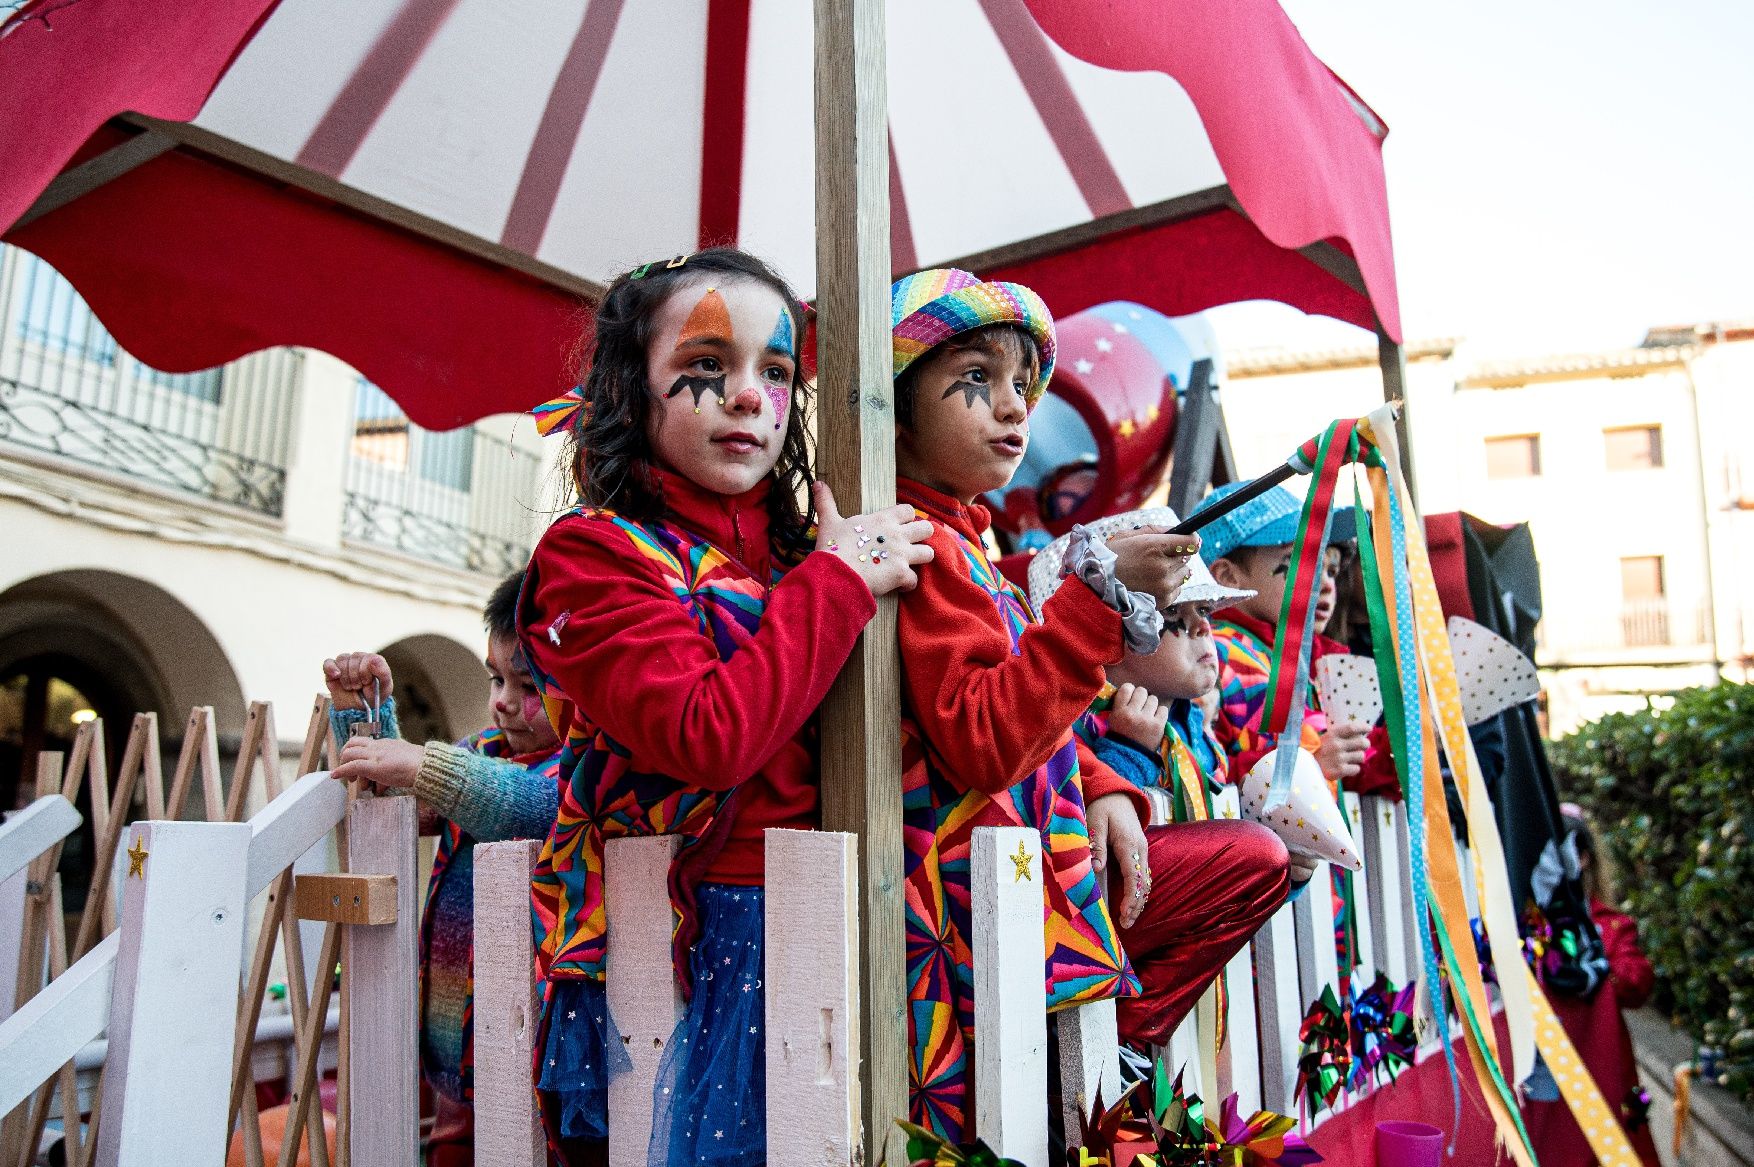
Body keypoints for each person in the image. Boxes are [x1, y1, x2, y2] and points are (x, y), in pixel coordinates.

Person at [518, 248, 934, 1166]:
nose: (749, 396)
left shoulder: (803, 549)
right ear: (634, 388)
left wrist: (1099, 775)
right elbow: (708, 735)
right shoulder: (592, 555)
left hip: (871, 910)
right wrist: (833, 584)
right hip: (711, 931)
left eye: (776, 371)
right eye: (707, 367)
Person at [889, 268, 1289, 1138]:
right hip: (987, 905)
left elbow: (1035, 707)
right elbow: (984, 735)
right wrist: (1100, 603)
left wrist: (1104, 777)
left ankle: (1111, 1056)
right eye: (974, 380)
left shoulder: (966, 545)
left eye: (1020, 386)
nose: (1011, 409)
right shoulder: (916, 551)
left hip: (1046, 872)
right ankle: (1098, 1069)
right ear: (892, 407)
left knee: (1257, 859)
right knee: (1253, 856)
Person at [321, 571, 563, 1167]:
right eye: (496, 678)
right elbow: (400, 807)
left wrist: (421, 764)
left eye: (527, 685)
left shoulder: (585, 772)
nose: (503, 700)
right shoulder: (480, 752)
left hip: (536, 1045)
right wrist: (367, 716)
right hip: (453, 1042)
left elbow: (525, 804)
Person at [1525, 806, 1661, 1167]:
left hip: (1603, 1062)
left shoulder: (1610, 925)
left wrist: (1598, 969)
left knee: (1611, 1144)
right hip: (1551, 1065)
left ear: (1582, 858)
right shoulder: (1531, 922)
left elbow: (1638, 982)